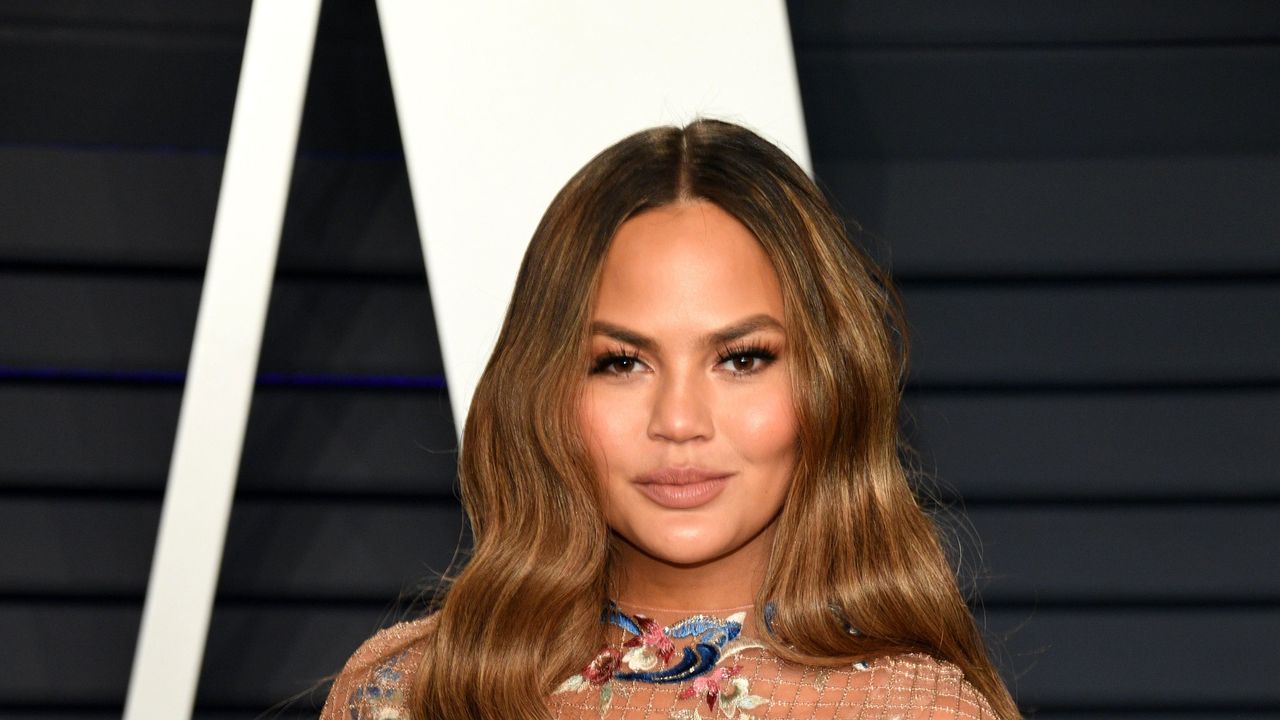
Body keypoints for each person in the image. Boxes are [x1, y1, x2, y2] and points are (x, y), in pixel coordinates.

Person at [320, 119, 1019, 719]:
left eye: (741, 359)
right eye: (622, 363)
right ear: (544, 390)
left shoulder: (916, 708)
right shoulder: (410, 692)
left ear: (830, 383)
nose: (679, 421)